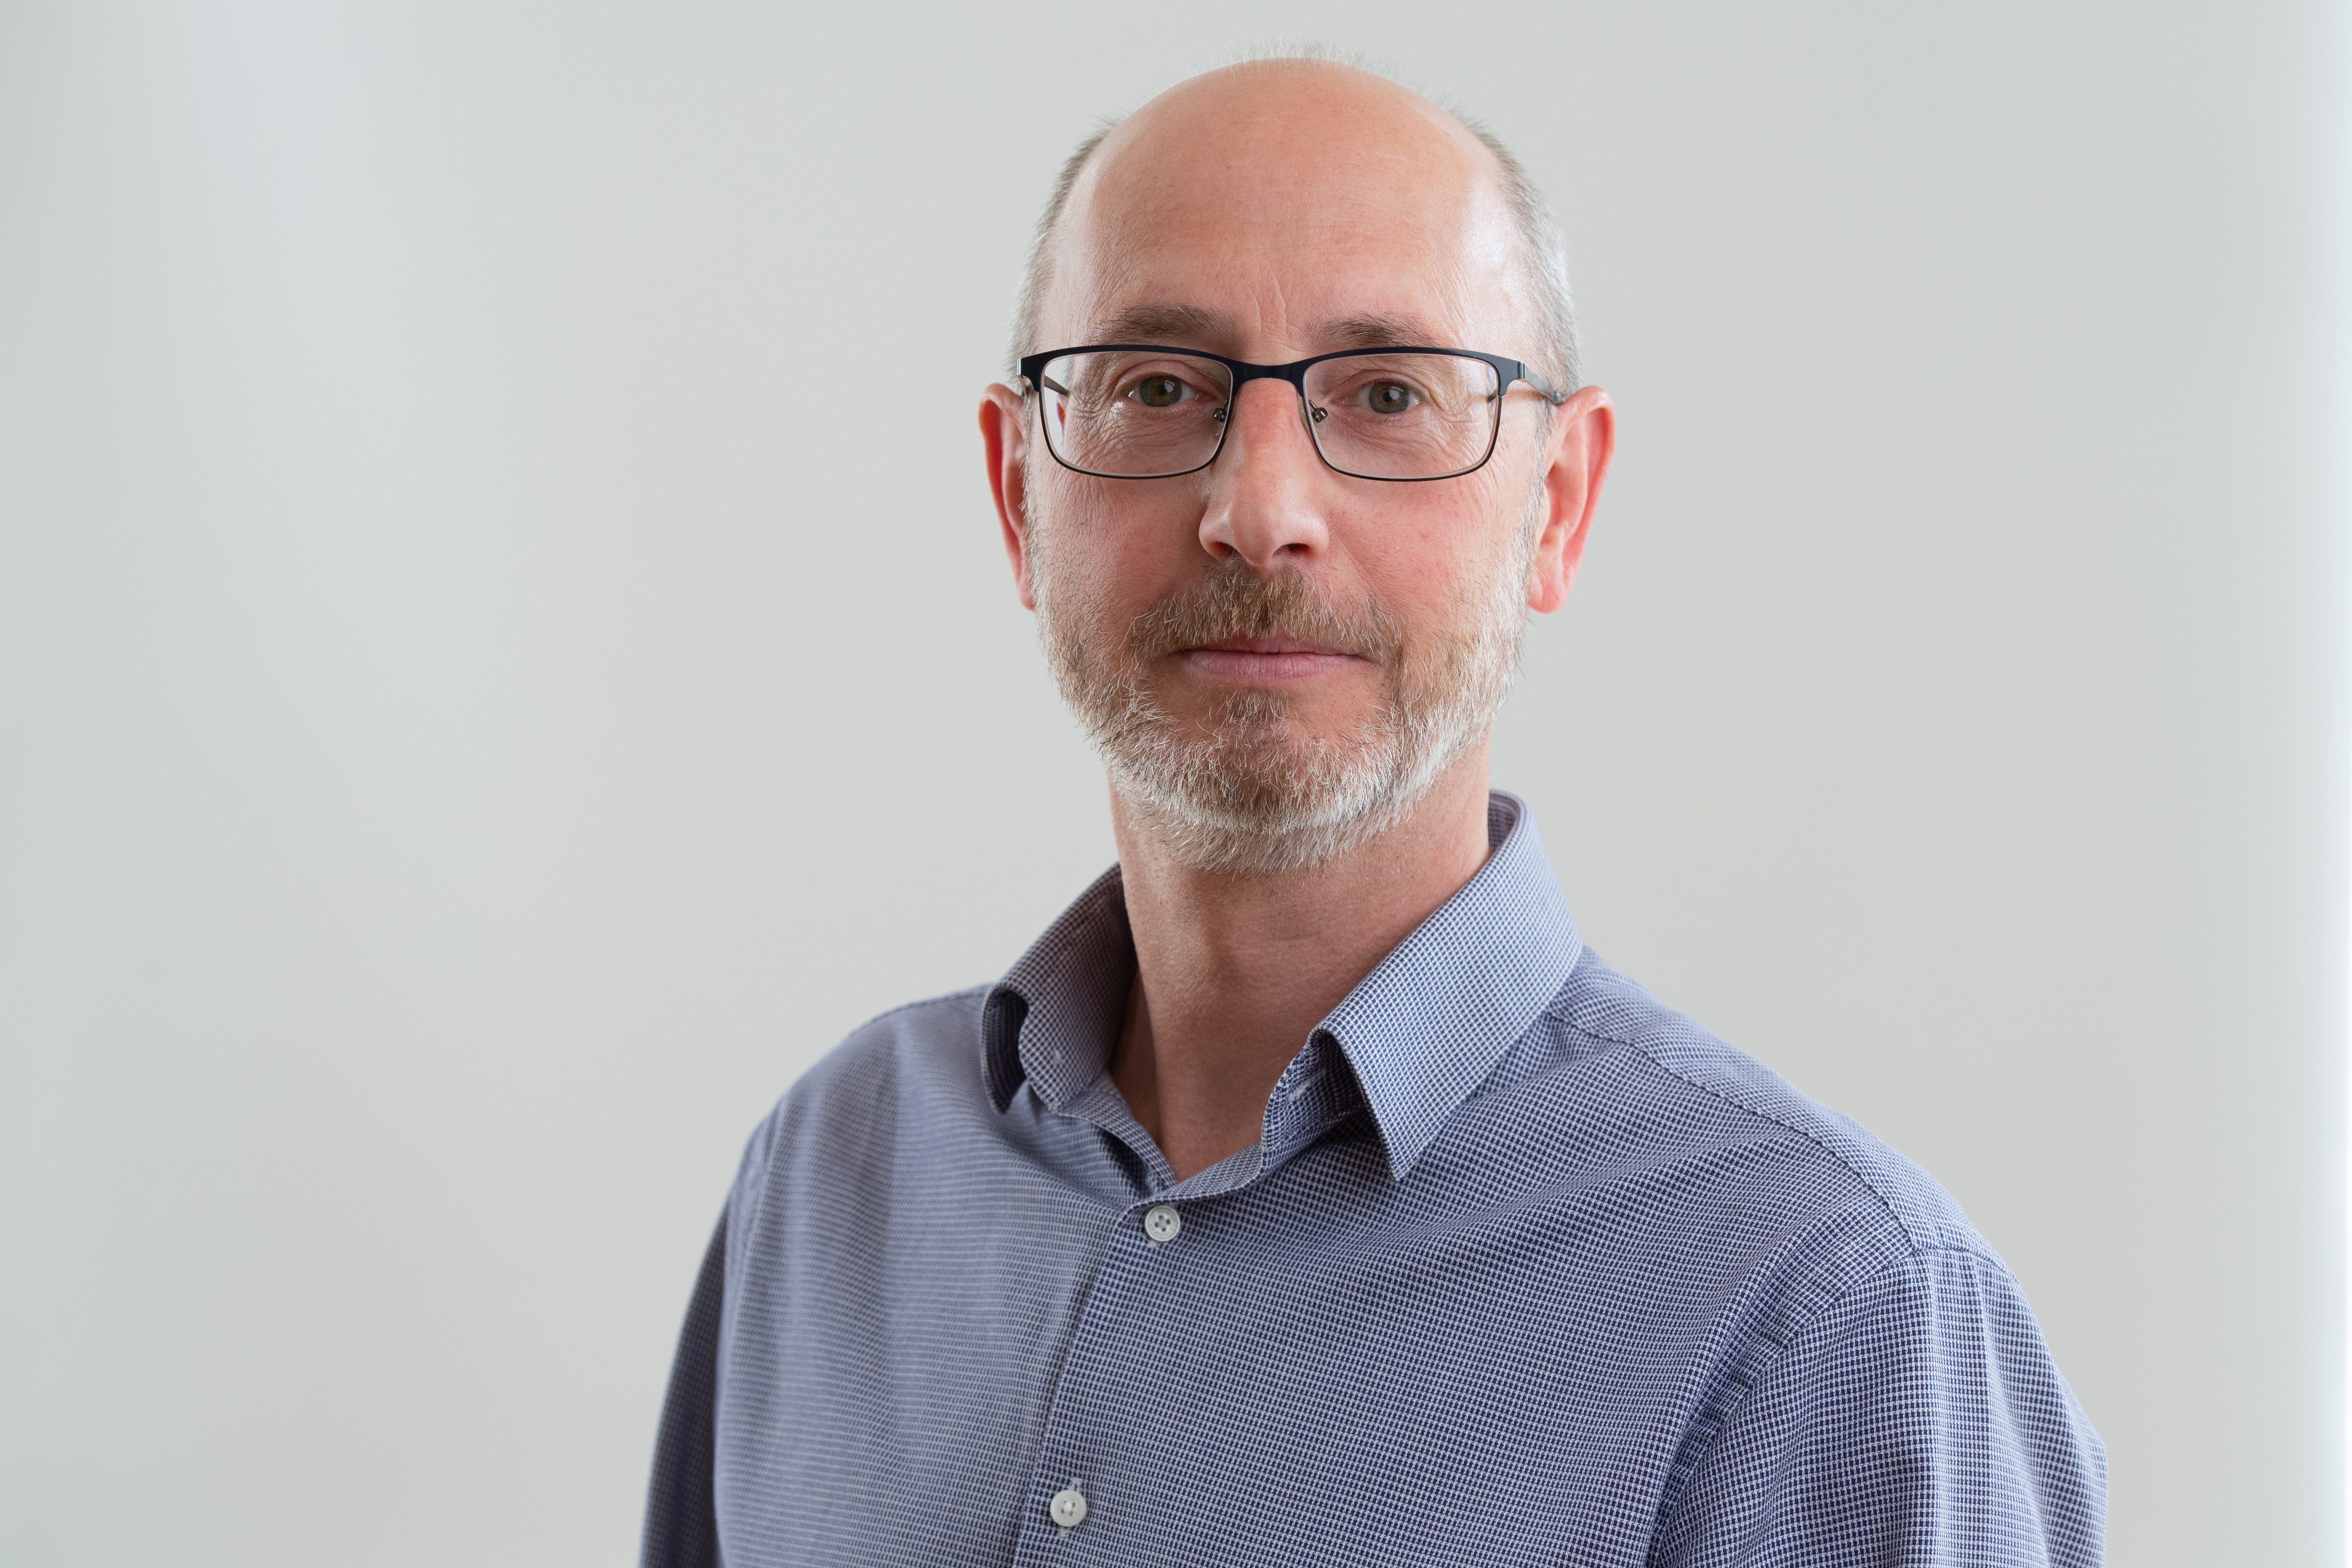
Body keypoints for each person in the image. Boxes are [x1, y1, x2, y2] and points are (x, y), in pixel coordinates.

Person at [641, 51, 2106, 1568]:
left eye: (1391, 392)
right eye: (1157, 385)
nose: (1260, 508)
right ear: (1020, 496)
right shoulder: (836, 1172)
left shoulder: (1829, 1312)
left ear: (1561, 504)